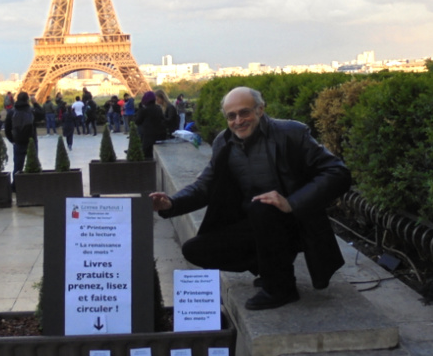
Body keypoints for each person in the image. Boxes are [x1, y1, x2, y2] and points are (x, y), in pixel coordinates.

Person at [150, 86, 351, 311]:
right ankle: (267, 266)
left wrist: (292, 202)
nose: (238, 120)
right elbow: (204, 186)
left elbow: (338, 172)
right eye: (231, 116)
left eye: (244, 112)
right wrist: (172, 203)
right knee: (195, 250)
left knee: (262, 208)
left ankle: (281, 287)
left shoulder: (290, 133)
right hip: (256, 225)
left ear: (260, 110)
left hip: (296, 223)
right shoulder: (224, 143)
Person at [4, 91, 37, 182]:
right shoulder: (32, 111)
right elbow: (42, 114)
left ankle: (16, 186)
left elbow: (7, 130)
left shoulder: (11, 112)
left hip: (18, 141)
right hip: (31, 141)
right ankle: (33, 183)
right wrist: (35, 103)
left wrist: (13, 140)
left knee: (18, 166)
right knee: (33, 163)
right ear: (27, 100)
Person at [135, 91, 166, 159]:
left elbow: (137, 121)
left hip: (147, 136)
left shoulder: (144, 110)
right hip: (159, 135)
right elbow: (162, 120)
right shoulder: (158, 108)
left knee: (147, 155)